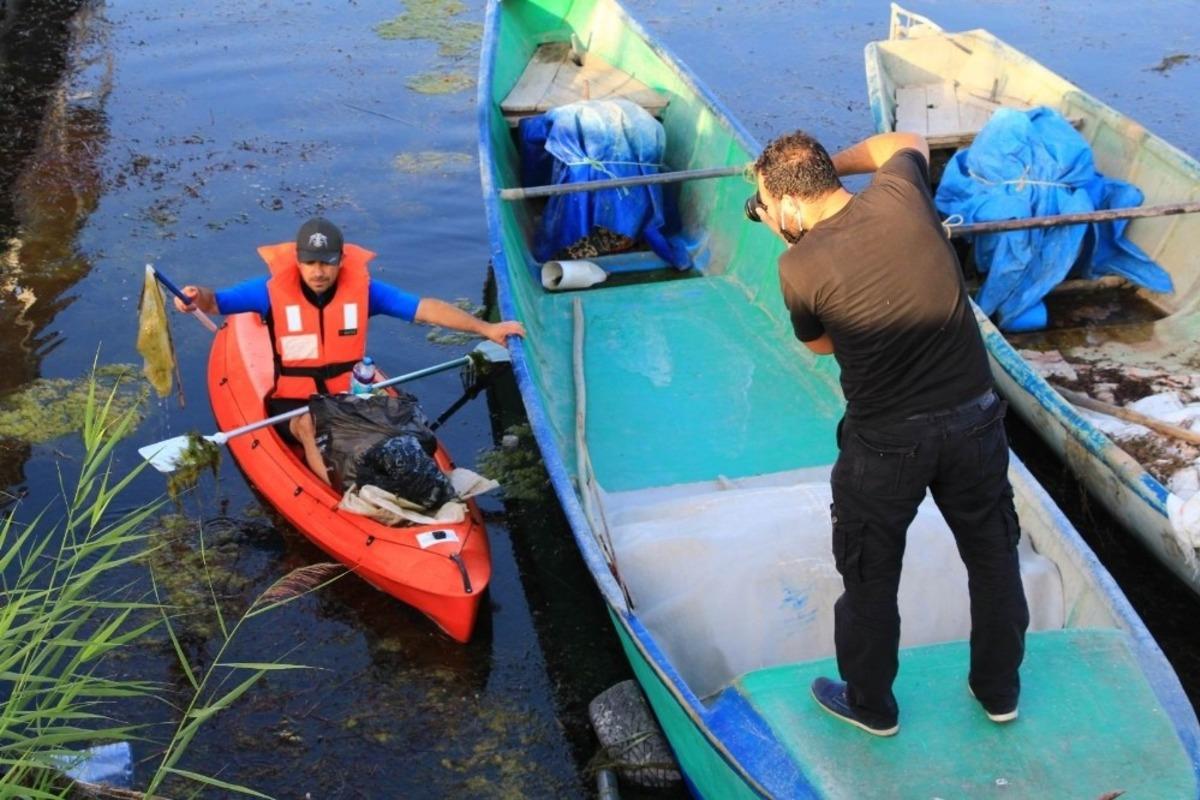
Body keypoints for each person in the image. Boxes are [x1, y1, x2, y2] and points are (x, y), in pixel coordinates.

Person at [749, 131, 1029, 736]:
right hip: (976, 422)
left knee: (871, 578)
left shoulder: (796, 264)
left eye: (767, 203)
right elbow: (904, 140)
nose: (768, 214)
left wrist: (792, 237)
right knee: (993, 558)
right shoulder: (903, 193)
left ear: (787, 207)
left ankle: (873, 706)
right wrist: (828, 165)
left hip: (885, 446)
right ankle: (999, 691)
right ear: (829, 176)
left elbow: (821, 345)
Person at [174, 216, 525, 484]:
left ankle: (405, 481)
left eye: (326, 262)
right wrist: (194, 298)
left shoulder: (365, 290)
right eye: (310, 262)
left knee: (400, 425)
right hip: (292, 404)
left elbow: (425, 309)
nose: (318, 271)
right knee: (308, 425)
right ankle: (343, 493)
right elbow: (216, 300)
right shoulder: (267, 290)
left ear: (341, 260)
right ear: (298, 261)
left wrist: (486, 328)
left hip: (350, 395)